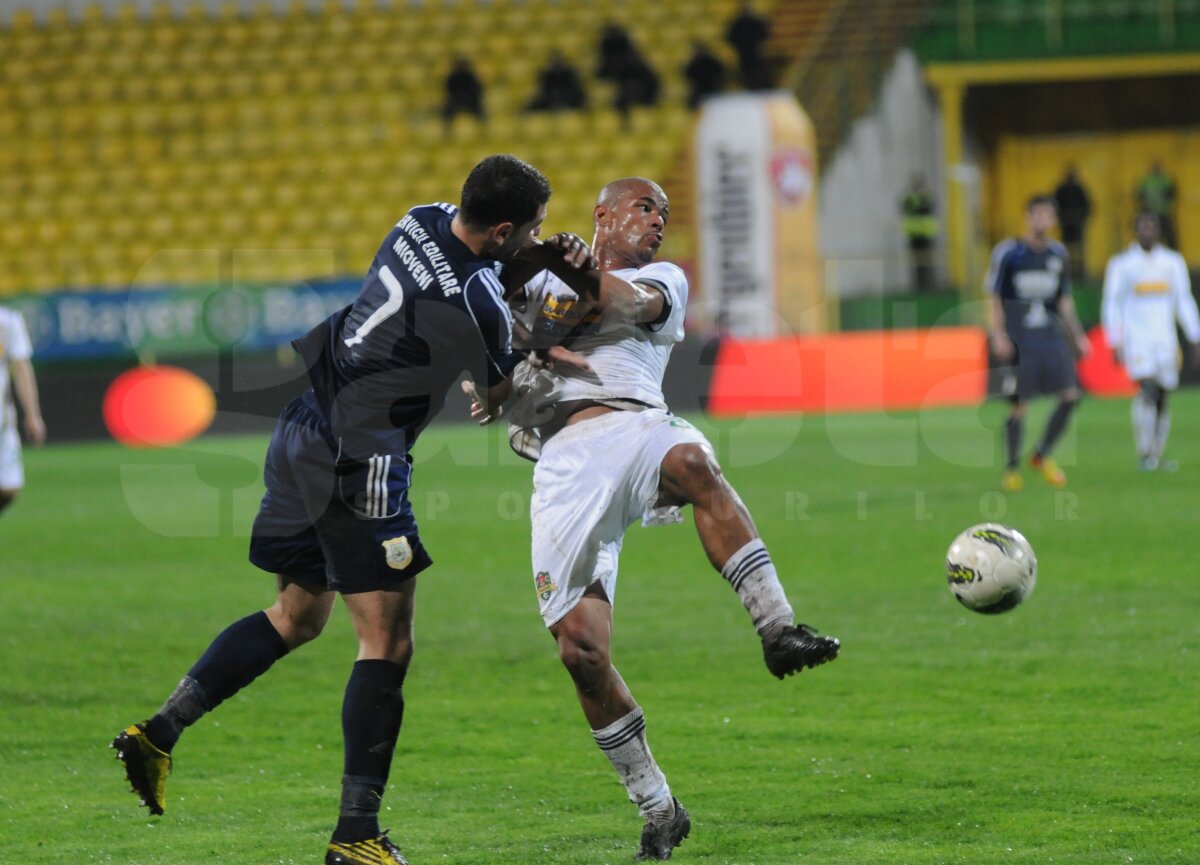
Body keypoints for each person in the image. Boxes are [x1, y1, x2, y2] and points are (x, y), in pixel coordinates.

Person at [111, 155, 587, 865]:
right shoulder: (480, 301)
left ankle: (156, 734)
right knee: (387, 639)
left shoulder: (419, 219)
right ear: (506, 227)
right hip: (359, 459)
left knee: (298, 615)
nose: (540, 237)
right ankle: (355, 835)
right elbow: (496, 398)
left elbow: (473, 274)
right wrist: (558, 320)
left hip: (304, 424)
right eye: (535, 229)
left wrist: (538, 259)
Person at [470, 178, 840, 860]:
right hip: (563, 467)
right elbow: (490, 378)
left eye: (665, 213)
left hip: (638, 426)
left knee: (695, 462)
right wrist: (497, 374)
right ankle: (660, 808)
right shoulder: (532, 285)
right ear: (603, 213)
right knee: (581, 653)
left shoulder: (662, 278)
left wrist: (571, 277)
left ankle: (778, 627)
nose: (658, 221)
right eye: (644, 206)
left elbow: (628, 301)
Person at [986, 194, 1092, 492]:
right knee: (1020, 405)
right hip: (1020, 339)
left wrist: (1077, 335)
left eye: (1049, 215)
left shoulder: (1058, 254)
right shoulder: (1009, 253)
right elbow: (994, 296)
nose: (1043, 220)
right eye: (1038, 214)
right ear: (1028, 217)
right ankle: (1010, 470)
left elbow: (1064, 300)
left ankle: (1041, 455)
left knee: (1071, 395)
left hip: (1050, 336)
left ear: (1054, 220)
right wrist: (998, 333)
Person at [1101, 211, 1200, 471]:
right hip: (1138, 339)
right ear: (1135, 230)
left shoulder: (1172, 262)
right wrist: (1115, 340)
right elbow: (1113, 303)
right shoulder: (1122, 264)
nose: (1147, 231)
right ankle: (1144, 452)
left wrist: (1194, 337)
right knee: (1147, 389)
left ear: (1158, 230)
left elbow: (1184, 300)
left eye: (1151, 226)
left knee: (1163, 396)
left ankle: (1155, 453)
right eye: (1142, 226)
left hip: (1165, 340)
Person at [1, 305, 46, 516]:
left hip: (3, 421)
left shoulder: (8, 321)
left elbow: (21, 368)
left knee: (9, 489)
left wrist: (32, 414)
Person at [900, 175, 938, 292]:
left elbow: (929, 207)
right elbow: (905, 206)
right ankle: (917, 286)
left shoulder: (926, 196)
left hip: (926, 234)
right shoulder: (910, 197)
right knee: (916, 262)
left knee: (927, 261)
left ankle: (928, 284)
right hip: (914, 234)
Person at [1053, 166, 1091, 281]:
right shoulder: (1062, 190)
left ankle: (1080, 274)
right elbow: (1054, 206)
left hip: (1077, 224)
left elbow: (1087, 206)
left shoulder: (1079, 190)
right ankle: (1066, 274)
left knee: (1079, 251)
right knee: (1064, 251)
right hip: (1066, 225)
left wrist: (1081, 218)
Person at [725, 1, 770, 90]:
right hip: (748, 53)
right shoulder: (739, 23)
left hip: (750, 52)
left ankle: (755, 87)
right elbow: (764, 34)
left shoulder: (737, 22)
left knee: (753, 73)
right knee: (751, 73)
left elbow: (729, 38)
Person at [1136, 161, 1177, 249]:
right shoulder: (1162, 180)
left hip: (1161, 213)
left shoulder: (1162, 179)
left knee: (1168, 237)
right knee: (1153, 235)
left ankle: (1169, 252)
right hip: (1155, 214)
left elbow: (1172, 194)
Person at [682, 41, 726, 109]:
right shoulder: (694, 63)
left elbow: (721, 74)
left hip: (713, 89)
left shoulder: (712, 62)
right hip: (700, 91)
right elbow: (687, 75)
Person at [442, 56, 485, 126]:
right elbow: (448, 89)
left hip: (470, 100)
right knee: (446, 114)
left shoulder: (471, 77)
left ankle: (482, 127)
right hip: (456, 99)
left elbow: (477, 89)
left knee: (480, 113)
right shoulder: (453, 76)